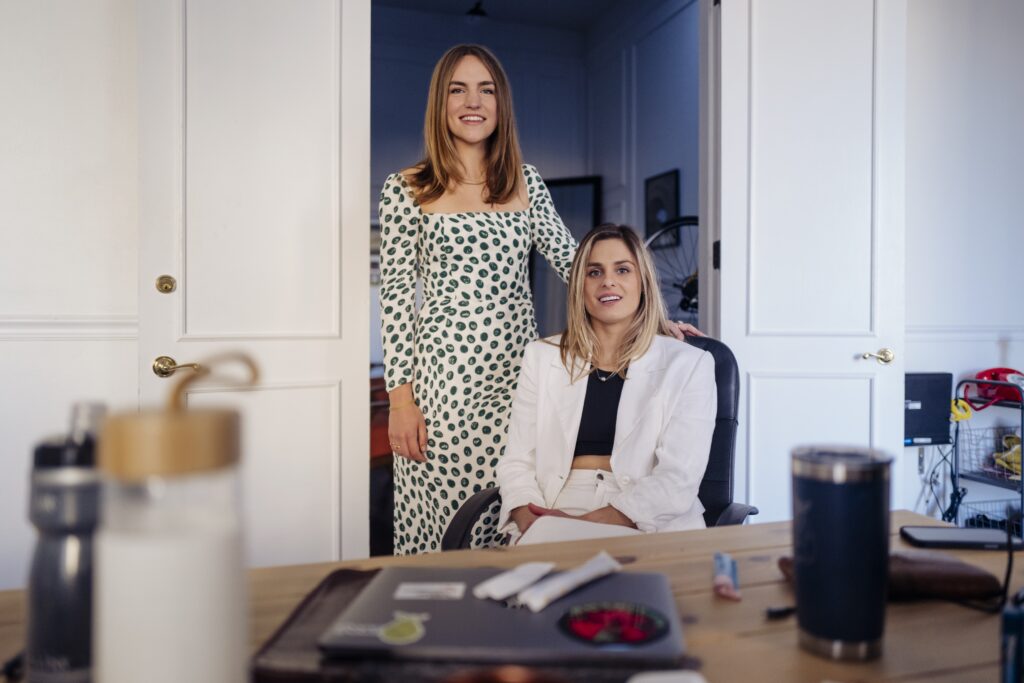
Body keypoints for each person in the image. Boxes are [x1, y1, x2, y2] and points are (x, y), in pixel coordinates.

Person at [379, 45, 699, 554]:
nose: (473, 101)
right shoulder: (406, 188)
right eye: (457, 89)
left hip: (515, 375)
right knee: (450, 525)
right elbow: (395, 297)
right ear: (440, 102)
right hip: (443, 386)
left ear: (501, 103)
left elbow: (580, 266)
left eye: (486, 89)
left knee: (513, 506)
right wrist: (400, 400)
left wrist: (652, 321)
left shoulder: (524, 182)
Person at [496, 225, 717, 543]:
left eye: (623, 269)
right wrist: (529, 517)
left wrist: (582, 528)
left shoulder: (689, 363)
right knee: (540, 592)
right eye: (594, 272)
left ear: (642, 282)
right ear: (579, 287)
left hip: (650, 515)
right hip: (556, 505)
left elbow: (677, 478)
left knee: (640, 593)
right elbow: (517, 461)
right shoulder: (541, 358)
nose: (608, 281)